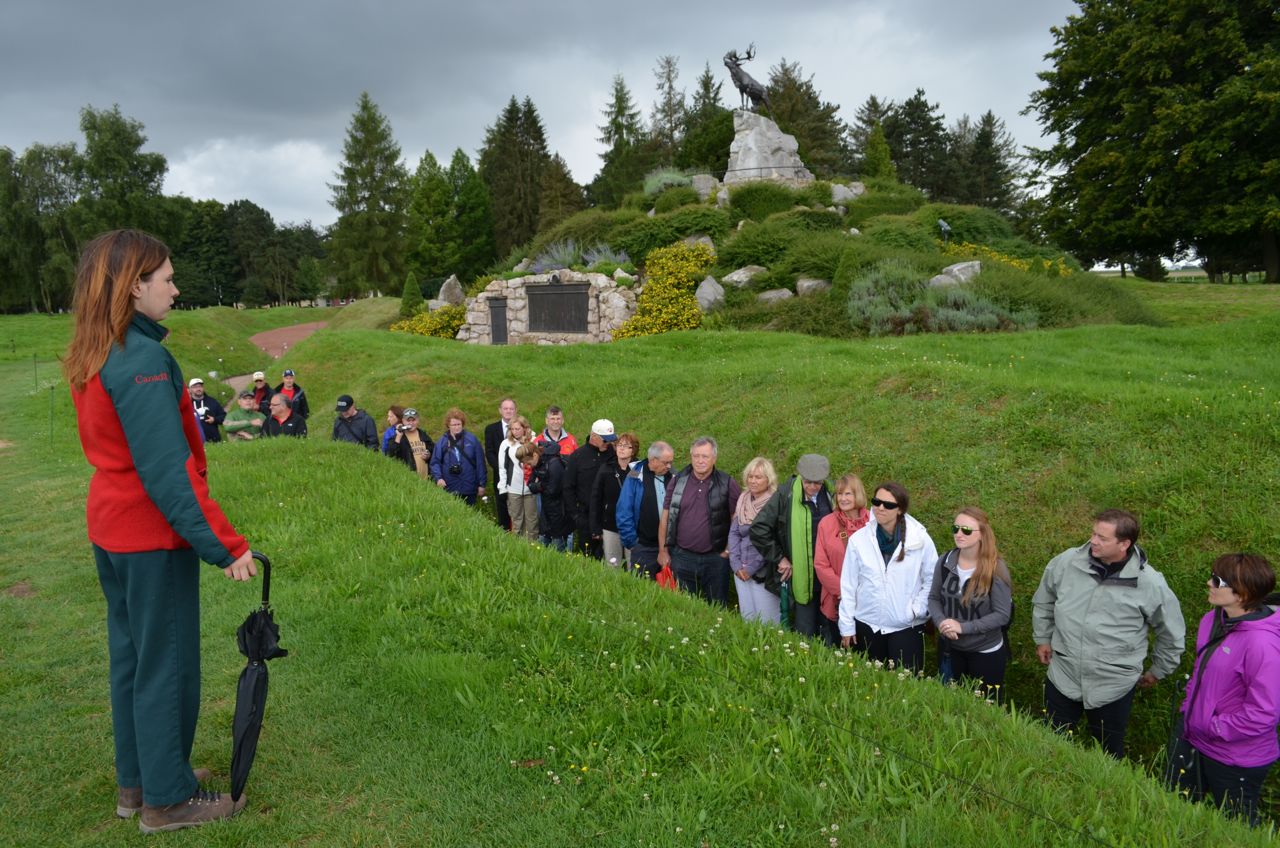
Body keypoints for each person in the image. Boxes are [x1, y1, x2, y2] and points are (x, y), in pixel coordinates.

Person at [63, 229, 254, 832]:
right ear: (134, 285)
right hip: (147, 534)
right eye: (166, 278)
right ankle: (167, 800)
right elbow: (167, 471)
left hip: (112, 529)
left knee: (134, 659)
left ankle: (140, 778)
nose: (176, 287)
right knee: (166, 663)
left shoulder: (101, 348)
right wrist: (225, 546)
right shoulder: (143, 359)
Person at [1032, 508, 1185, 758]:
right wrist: (1042, 638)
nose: (1093, 541)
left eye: (1103, 538)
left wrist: (1159, 670)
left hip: (1113, 686)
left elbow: (1171, 633)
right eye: (1093, 533)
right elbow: (1044, 599)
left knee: (1108, 755)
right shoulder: (1067, 562)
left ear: (1124, 544)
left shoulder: (1150, 584)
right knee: (1050, 744)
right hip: (1063, 675)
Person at [1172, 553, 1280, 827]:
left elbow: (1263, 714)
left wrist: (1211, 726)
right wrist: (1189, 710)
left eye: (1217, 580)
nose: (1209, 583)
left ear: (1242, 593)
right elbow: (1201, 671)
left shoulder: (1263, 645)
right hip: (1191, 736)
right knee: (1174, 811)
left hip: (1234, 758)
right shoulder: (1212, 619)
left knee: (1237, 828)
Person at [838, 481, 938, 673]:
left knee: (907, 687)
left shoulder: (920, 539)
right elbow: (849, 585)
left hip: (905, 627)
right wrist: (847, 626)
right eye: (877, 502)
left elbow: (932, 579)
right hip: (867, 625)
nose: (880, 508)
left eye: (888, 505)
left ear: (899, 509)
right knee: (869, 684)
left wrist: (916, 611)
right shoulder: (859, 539)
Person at [927, 507, 1013, 702]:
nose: (959, 534)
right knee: (950, 704)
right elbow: (933, 598)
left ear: (982, 534)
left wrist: (962, 627)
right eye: (955, 528)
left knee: (986, 709)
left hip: (985, 653)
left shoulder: (995, 568)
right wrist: (943, 623)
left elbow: (1001, 614)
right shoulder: (945, 562)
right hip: (951, 648)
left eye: (966, 530)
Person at [751, 454, 834, 640]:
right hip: (801, 576)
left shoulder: (831, 494)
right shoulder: (785, 494)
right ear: (800, 476)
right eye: (808, 482)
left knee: (829, 629)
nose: (813, 487)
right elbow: (758, 528)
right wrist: (780, 558)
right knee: (805, 631)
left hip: (827, 575)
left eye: (818, 483)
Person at [658, 437, 741, 606]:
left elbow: (738, 520)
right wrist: (663, 551)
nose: (700, 461)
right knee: (683, 607)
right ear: (691, 457)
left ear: (714, 458)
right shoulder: (678, 481)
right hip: (682, 557)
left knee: (717, 607)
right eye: (696, 456)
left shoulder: (727, 483)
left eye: (705, 456)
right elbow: (666, 516)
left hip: (715, 559)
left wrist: (728, 550)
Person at [813, 473, 870, 644]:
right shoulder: (827, 523)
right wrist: (845, 593)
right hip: (837, 600)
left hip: (869, 602)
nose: (843, 499)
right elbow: (821, 565)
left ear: (858, 495)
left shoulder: (873, 520)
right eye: (839, 494)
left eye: (848, 494)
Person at [729, 457, 779, 624]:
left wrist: (751, 567)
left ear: (768, 479)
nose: (753, 481)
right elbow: (734, 532)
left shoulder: (775, 503)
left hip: (763, 572)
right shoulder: (743, 499)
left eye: (758, 477)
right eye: (750, 476)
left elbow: (772, 540)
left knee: (768, 622)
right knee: (747, 619)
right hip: (740, 570)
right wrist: (735, 563)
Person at [616, 441, 675, 580]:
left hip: (669, 548)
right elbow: (624, 510)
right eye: (666, 462)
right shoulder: (635, 477)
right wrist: (633, 543)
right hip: (643, 547)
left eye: (671, 462)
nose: (669, 466)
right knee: (642, 591)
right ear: (653, 460)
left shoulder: (673, 477)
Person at [564, 419, 617, 559]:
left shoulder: (615, 454)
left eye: (610, 440)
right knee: (588, 557)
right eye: (605, 440)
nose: (608, 444)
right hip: (585, 517)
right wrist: (576, 516)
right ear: (594, 436)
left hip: (609, 517)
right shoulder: (577, 456)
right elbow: (568, 488)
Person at [590, 431, 638, 567]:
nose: (621, 448)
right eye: (619, 445)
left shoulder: (639, 470)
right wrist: (595, 526)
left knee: (634, 565)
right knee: (612, 564)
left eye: (626, 446)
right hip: (610, 524)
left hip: (632, 526)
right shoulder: (606, 468)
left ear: (633, 450)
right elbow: (596, 498)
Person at [429, 407, 486, 504]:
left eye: (459, 424)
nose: (456, 427)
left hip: (469, 485)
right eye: (453, 425)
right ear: (448, 425)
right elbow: (435, 462)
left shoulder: (472, 440)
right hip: (449, 485)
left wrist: (482, 484)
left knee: (470, 514)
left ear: (462, 424)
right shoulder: (442, 442)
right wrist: (438, 478)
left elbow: (480, 463)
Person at [529, 440, 572, 550]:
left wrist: (539, 485)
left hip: (559, 510)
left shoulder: (554, 463)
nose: (527, 466)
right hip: (546, 509)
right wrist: (542, 485)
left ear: (534, 455)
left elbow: (553, 490)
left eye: (528, 463)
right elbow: (530, 484)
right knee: (544, 541)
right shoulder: (538, 464)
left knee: (558, 544)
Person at [500, 418, 538, 541]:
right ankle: (517, 548)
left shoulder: (533, 441)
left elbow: (538, 462)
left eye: (518, 429)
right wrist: (503, 487)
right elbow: (503, 467)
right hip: (513, 489)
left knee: (532, 521)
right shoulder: (506, 444)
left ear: (524, 428)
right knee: (517, 521)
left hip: (530, 489)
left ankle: (533, 548)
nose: (515, 432)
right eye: (512, 429)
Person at [484, 398, 518, 530]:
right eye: (505, 408)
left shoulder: (522, 429)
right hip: (500, 476)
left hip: (518, 477)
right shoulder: (491, 429)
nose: (508, 411)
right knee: (502, 508)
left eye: (511, 408)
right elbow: (490, 452)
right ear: (500, 410)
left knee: (518, 510)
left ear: (515, 411)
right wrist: (501, 469)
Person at [385, 407, 434, 478]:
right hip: (409, 480)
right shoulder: (398, 437)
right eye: (408, 420)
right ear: (403, 421)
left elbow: (433, 451)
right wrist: (398, 436)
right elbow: (390, 455)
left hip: (426, 481)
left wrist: (428, 455)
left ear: (418, 420)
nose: (411, 423)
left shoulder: (424, 435)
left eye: (413, 420)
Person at [187, 378, 225, 443]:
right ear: (190, 389)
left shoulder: (213, 402)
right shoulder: (187, 404)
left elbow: (224, 417)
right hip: (194, 441)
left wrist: (214, 420)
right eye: (195, 387)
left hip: (214, 440)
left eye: (200, 386)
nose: (198, 389)